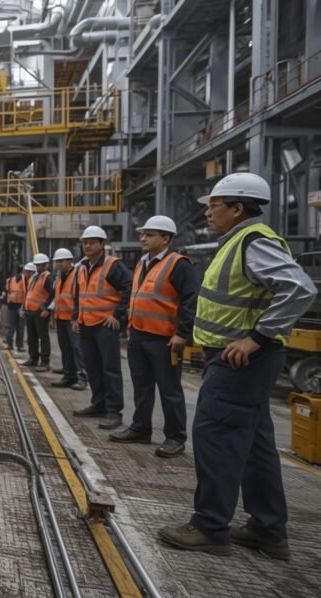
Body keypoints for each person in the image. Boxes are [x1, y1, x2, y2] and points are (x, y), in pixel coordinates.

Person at [159, 173, 317, 559]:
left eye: (214, 205)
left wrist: (256, 337)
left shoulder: (253, 242)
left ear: (237, 208)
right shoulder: (236, 242)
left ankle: (210, 528)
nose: (209, 213)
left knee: (217, 440)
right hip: (241, 360)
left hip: (242, 361)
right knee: (256, 446)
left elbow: (300, 288)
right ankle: (267, 530)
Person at [110, 215, 199, 458]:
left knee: (169, 389)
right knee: (142, 386)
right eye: (143, 234)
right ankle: (140, 428)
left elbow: (191, 301)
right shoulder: (142, 262)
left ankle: (175, 437)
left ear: (165, 238)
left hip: (164, 339)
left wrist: (183, 334)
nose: (143, 238)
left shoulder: (179, 264)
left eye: (149, 235)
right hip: (138, 336)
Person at [71, 226, 133, 430]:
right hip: (87, 324)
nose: (86, 246)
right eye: (84, 242)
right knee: (93, 367)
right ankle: (98, 404)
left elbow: (129, 287)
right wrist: (76, 317)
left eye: (91, 242)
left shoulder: (112, 265)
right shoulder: (82, 267)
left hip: (104, 325)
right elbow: (79, 297)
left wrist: (117, 314)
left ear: (102, 244)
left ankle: (114, 411)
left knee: (110, 369)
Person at [51, 248, 88, 391]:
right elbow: (58, 298)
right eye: (57, 262)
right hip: (61, 317)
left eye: (61, 261)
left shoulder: (77, 275)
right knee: (65, 349)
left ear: (70, 261)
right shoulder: (60, 276)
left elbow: (80, 298)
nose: (58, 264)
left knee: (77, 349)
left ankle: (82, 378)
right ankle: (69, 376)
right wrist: (53, 316)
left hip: (72, 320)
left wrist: (76, 318)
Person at [23, 254, 54, 371]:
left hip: (39, 312)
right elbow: (30, 294)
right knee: (32, 337)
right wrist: (24, 308)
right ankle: (33, 358)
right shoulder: (35, 277)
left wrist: (46, 308)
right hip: (30, 311)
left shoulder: (48, 277)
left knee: (43, 337)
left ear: (46, 265)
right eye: (37, 265)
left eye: (40, 265)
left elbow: (54, 294)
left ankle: (45, 362)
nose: (38, 267)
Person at [3, 265, 27, 352]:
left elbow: (7, 292)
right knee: (20, 327)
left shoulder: (10, 280)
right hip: (21, 306)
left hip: (12, 306)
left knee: (11, 326)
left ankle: (10, 344)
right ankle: (19, 346)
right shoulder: (25, 280)